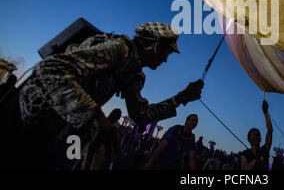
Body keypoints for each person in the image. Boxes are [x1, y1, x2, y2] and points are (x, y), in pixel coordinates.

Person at [0, 22, 204, 169]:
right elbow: (51, 68)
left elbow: (141, 116)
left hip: (52, 132)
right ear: (156, 46)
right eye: (167, 53)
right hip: (25, 117)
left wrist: (180, 97)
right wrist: (98, 117)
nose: (166, 60)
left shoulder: (134, 74)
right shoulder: (119, 49)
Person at [240, 100, 273, 170]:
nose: (255, 136)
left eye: (257, 134)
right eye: (252, 134)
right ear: (248, 139)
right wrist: (256, 160)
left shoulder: (265, 150)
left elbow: (270, 131)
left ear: (260, 139)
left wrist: (266, 113)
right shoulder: (245, 154)